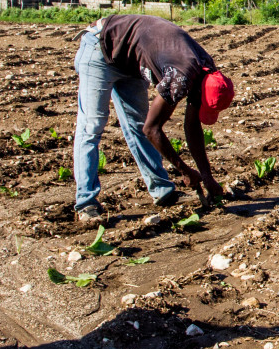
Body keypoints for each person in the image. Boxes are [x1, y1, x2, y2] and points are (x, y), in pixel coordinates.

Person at [73, 13, 235, 221]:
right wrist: (184, 170)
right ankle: (86, 202)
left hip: (129, 60)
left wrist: (207, 176)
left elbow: (192, 126)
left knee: (138, 124)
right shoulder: (181, 76)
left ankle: (162, 191)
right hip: (101, 47)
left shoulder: (207, 71)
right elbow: (152, 129)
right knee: (92, 126)